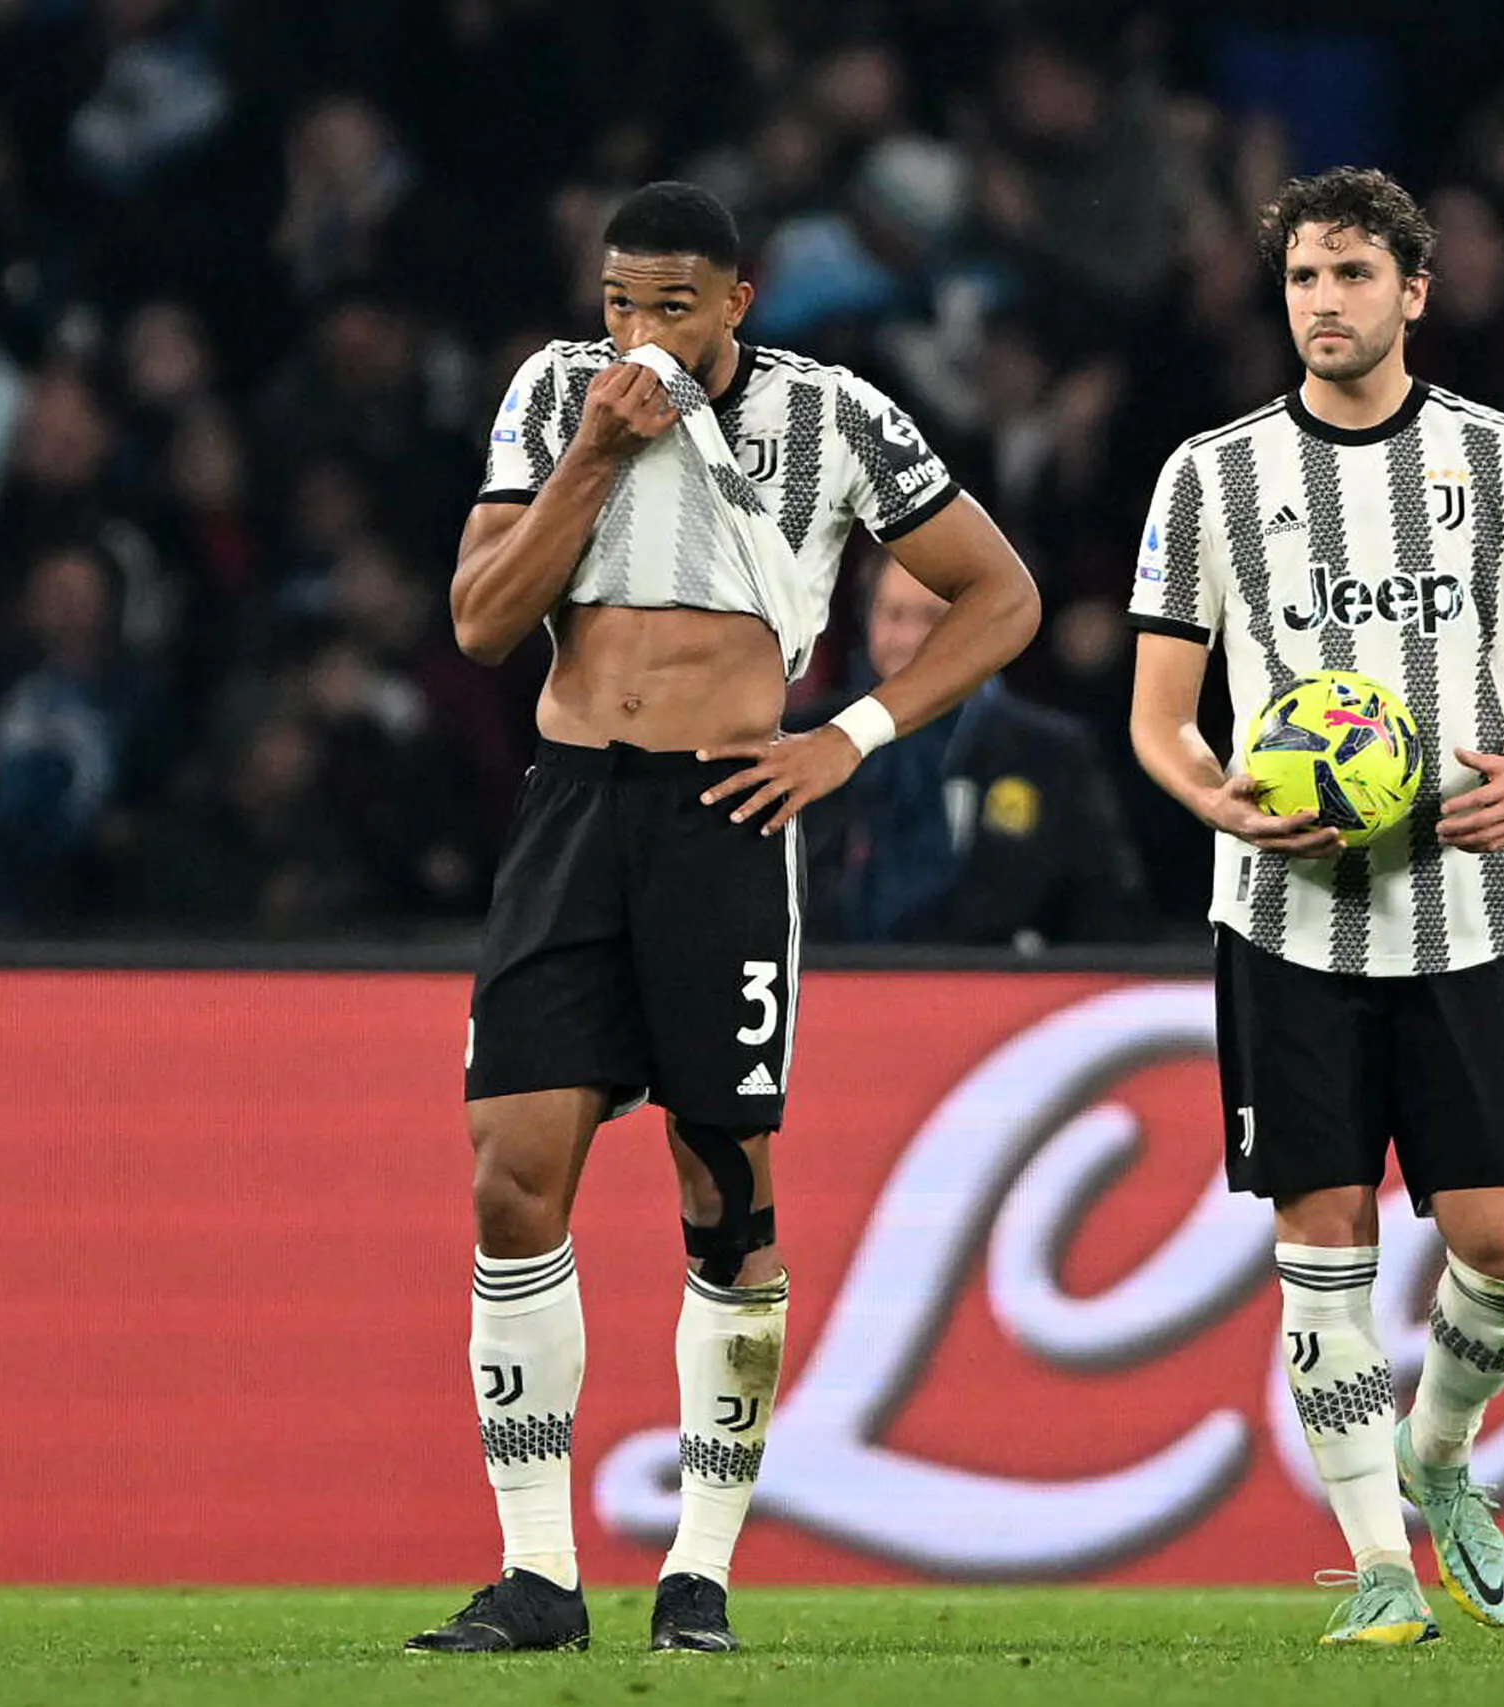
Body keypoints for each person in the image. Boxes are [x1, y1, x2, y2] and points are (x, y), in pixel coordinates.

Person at [410, 182, 1038, 1656]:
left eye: (672, 306)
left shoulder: (834, 414)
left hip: (725, 815)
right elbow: (483, 622)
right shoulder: (555, 396)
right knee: (512, 1177)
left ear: (739, 302)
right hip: (575, 808)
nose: (639, 332)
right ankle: (538, 1573)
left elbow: (999, 596)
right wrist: (593, 451)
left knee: (726, 1196)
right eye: (619, 302)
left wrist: (850, 736)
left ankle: (698, 1570)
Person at [1127, 168, 1504, 1644]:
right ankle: (1377, 1569)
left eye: (1353, 274)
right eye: (1303, 276)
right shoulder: (1209, 476)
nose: (1324, 301)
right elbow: (1159, 718)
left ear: (1414, 291)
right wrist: (1215, 796)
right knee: (1325, 1234)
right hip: (1284, 920)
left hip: (1463, 913)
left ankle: (1438, 1448)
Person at [812, 554, 1149, 946]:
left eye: (932, 618)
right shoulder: (811, 742)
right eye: (894, 615)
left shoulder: (1051, 754)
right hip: (832, 981)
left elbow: (1108, 920)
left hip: (994, 982)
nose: (908, 638)